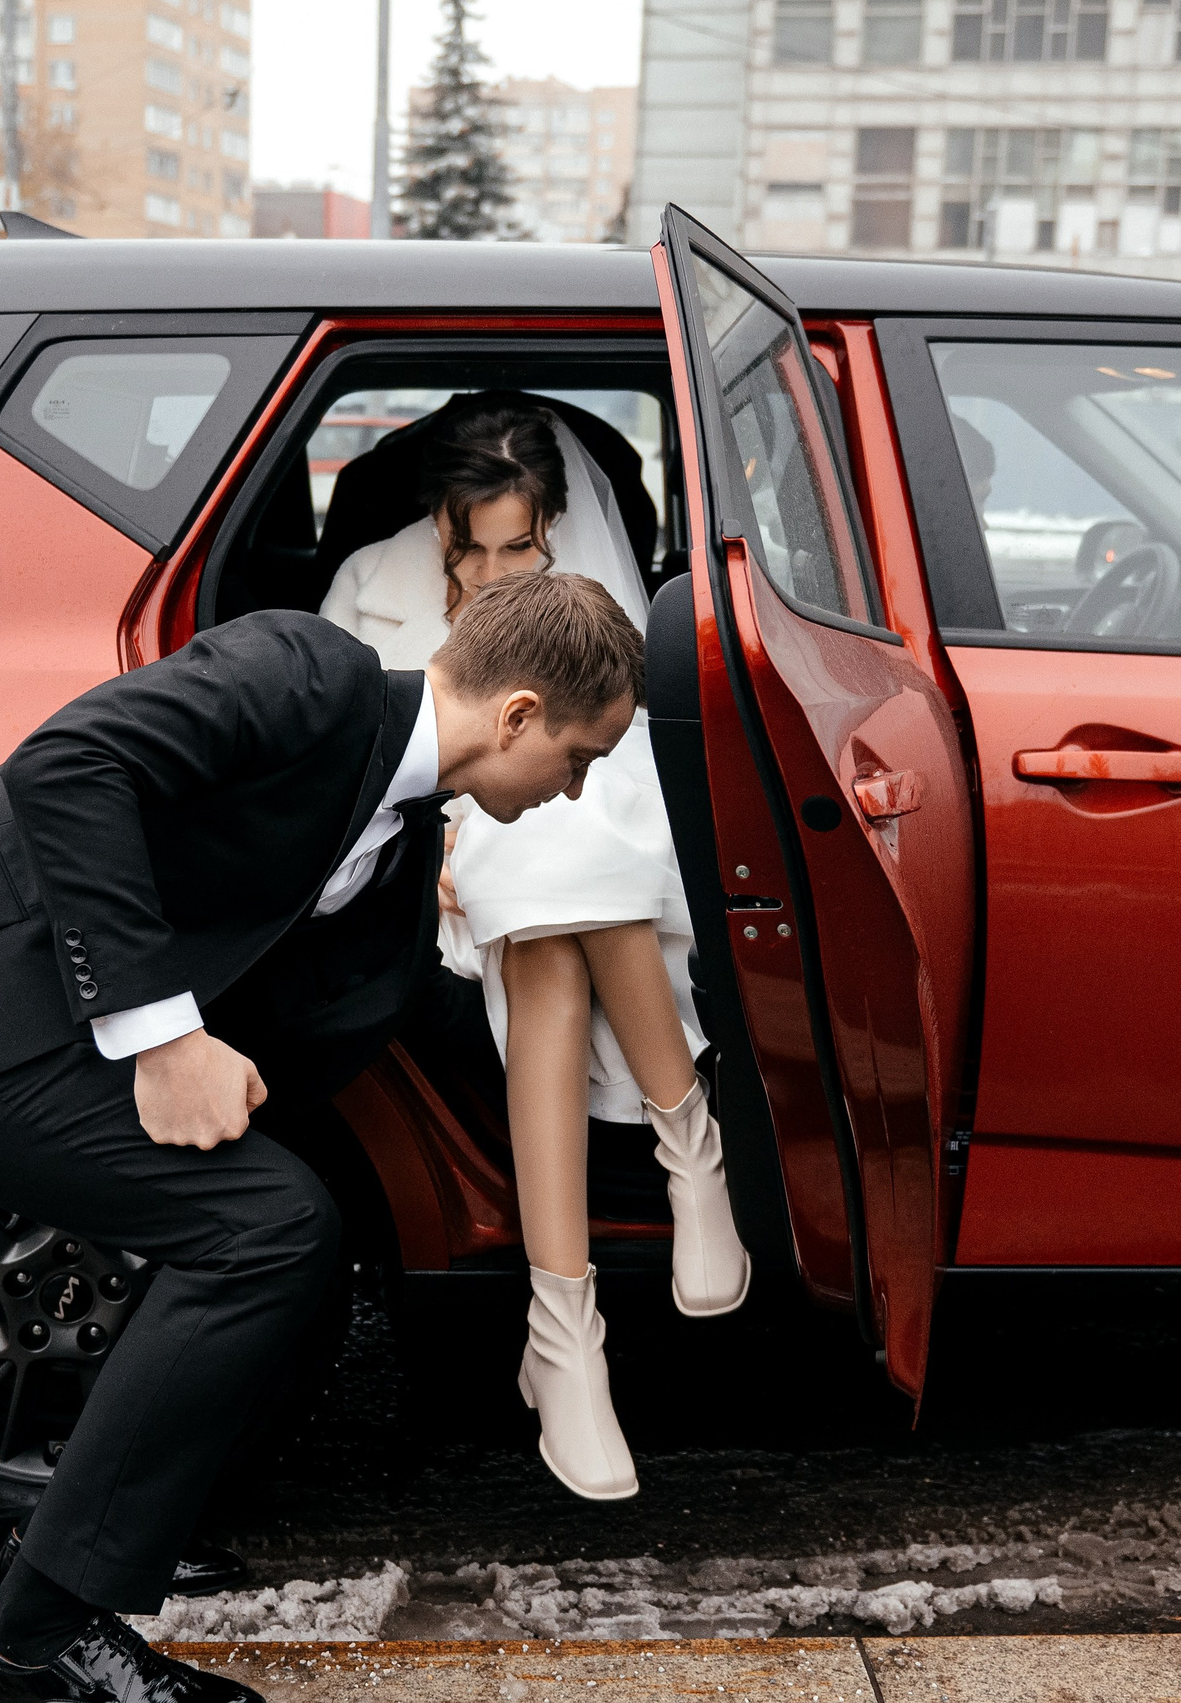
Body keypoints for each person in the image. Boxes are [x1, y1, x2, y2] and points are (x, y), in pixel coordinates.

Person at [0, 572, 646, 1703]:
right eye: (580, 757)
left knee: (286, 1237)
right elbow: (68, 764)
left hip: (44, 1040)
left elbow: (377, 1000)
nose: (575, 790)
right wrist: (165, 1037)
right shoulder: (307, 672)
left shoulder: (407, 834)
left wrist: (611, 1082)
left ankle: (107, 1528)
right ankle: (29, 1643)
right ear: (517, 713)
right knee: (269, 1228)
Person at [320, 398, 749, 1503]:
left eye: (523, 543)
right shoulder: (368, 583)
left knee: (559, 896)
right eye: (474, 546)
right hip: (446, 857)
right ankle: (686, 1146)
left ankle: (565, 1335)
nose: (501, 568)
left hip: (578, 831)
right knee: (546, 903)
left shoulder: (579, 595)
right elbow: (349, 750)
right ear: (437, 526)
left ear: (554, 523)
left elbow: (615, 765)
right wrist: (423, 850)